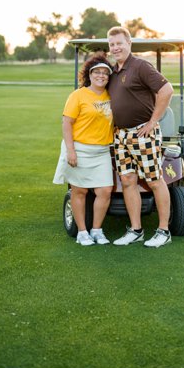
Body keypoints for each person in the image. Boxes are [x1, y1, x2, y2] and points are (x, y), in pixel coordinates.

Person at [106, 25, 174, 248]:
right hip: (121, 136)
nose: (115, 48)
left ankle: (163, 231)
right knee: (127, 181)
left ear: (129, 44)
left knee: (154, 180)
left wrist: (153, 121)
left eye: (119, 43)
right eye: (112, 44)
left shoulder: (140, 66)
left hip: (143, 133)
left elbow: (166, 90)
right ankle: (136, 230)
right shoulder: (114, 72)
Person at [54, 54, 116, 246]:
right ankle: (82, 232)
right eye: (97, 72)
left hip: (101, 151)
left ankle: (96, 230)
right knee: (79, 191)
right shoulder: (78, 95)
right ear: (89, 74)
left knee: (105, 190)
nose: (101, 76)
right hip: (79, 149)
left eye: (105, 73)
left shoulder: (111, 95)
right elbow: (67, 123)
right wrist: (70, 151)